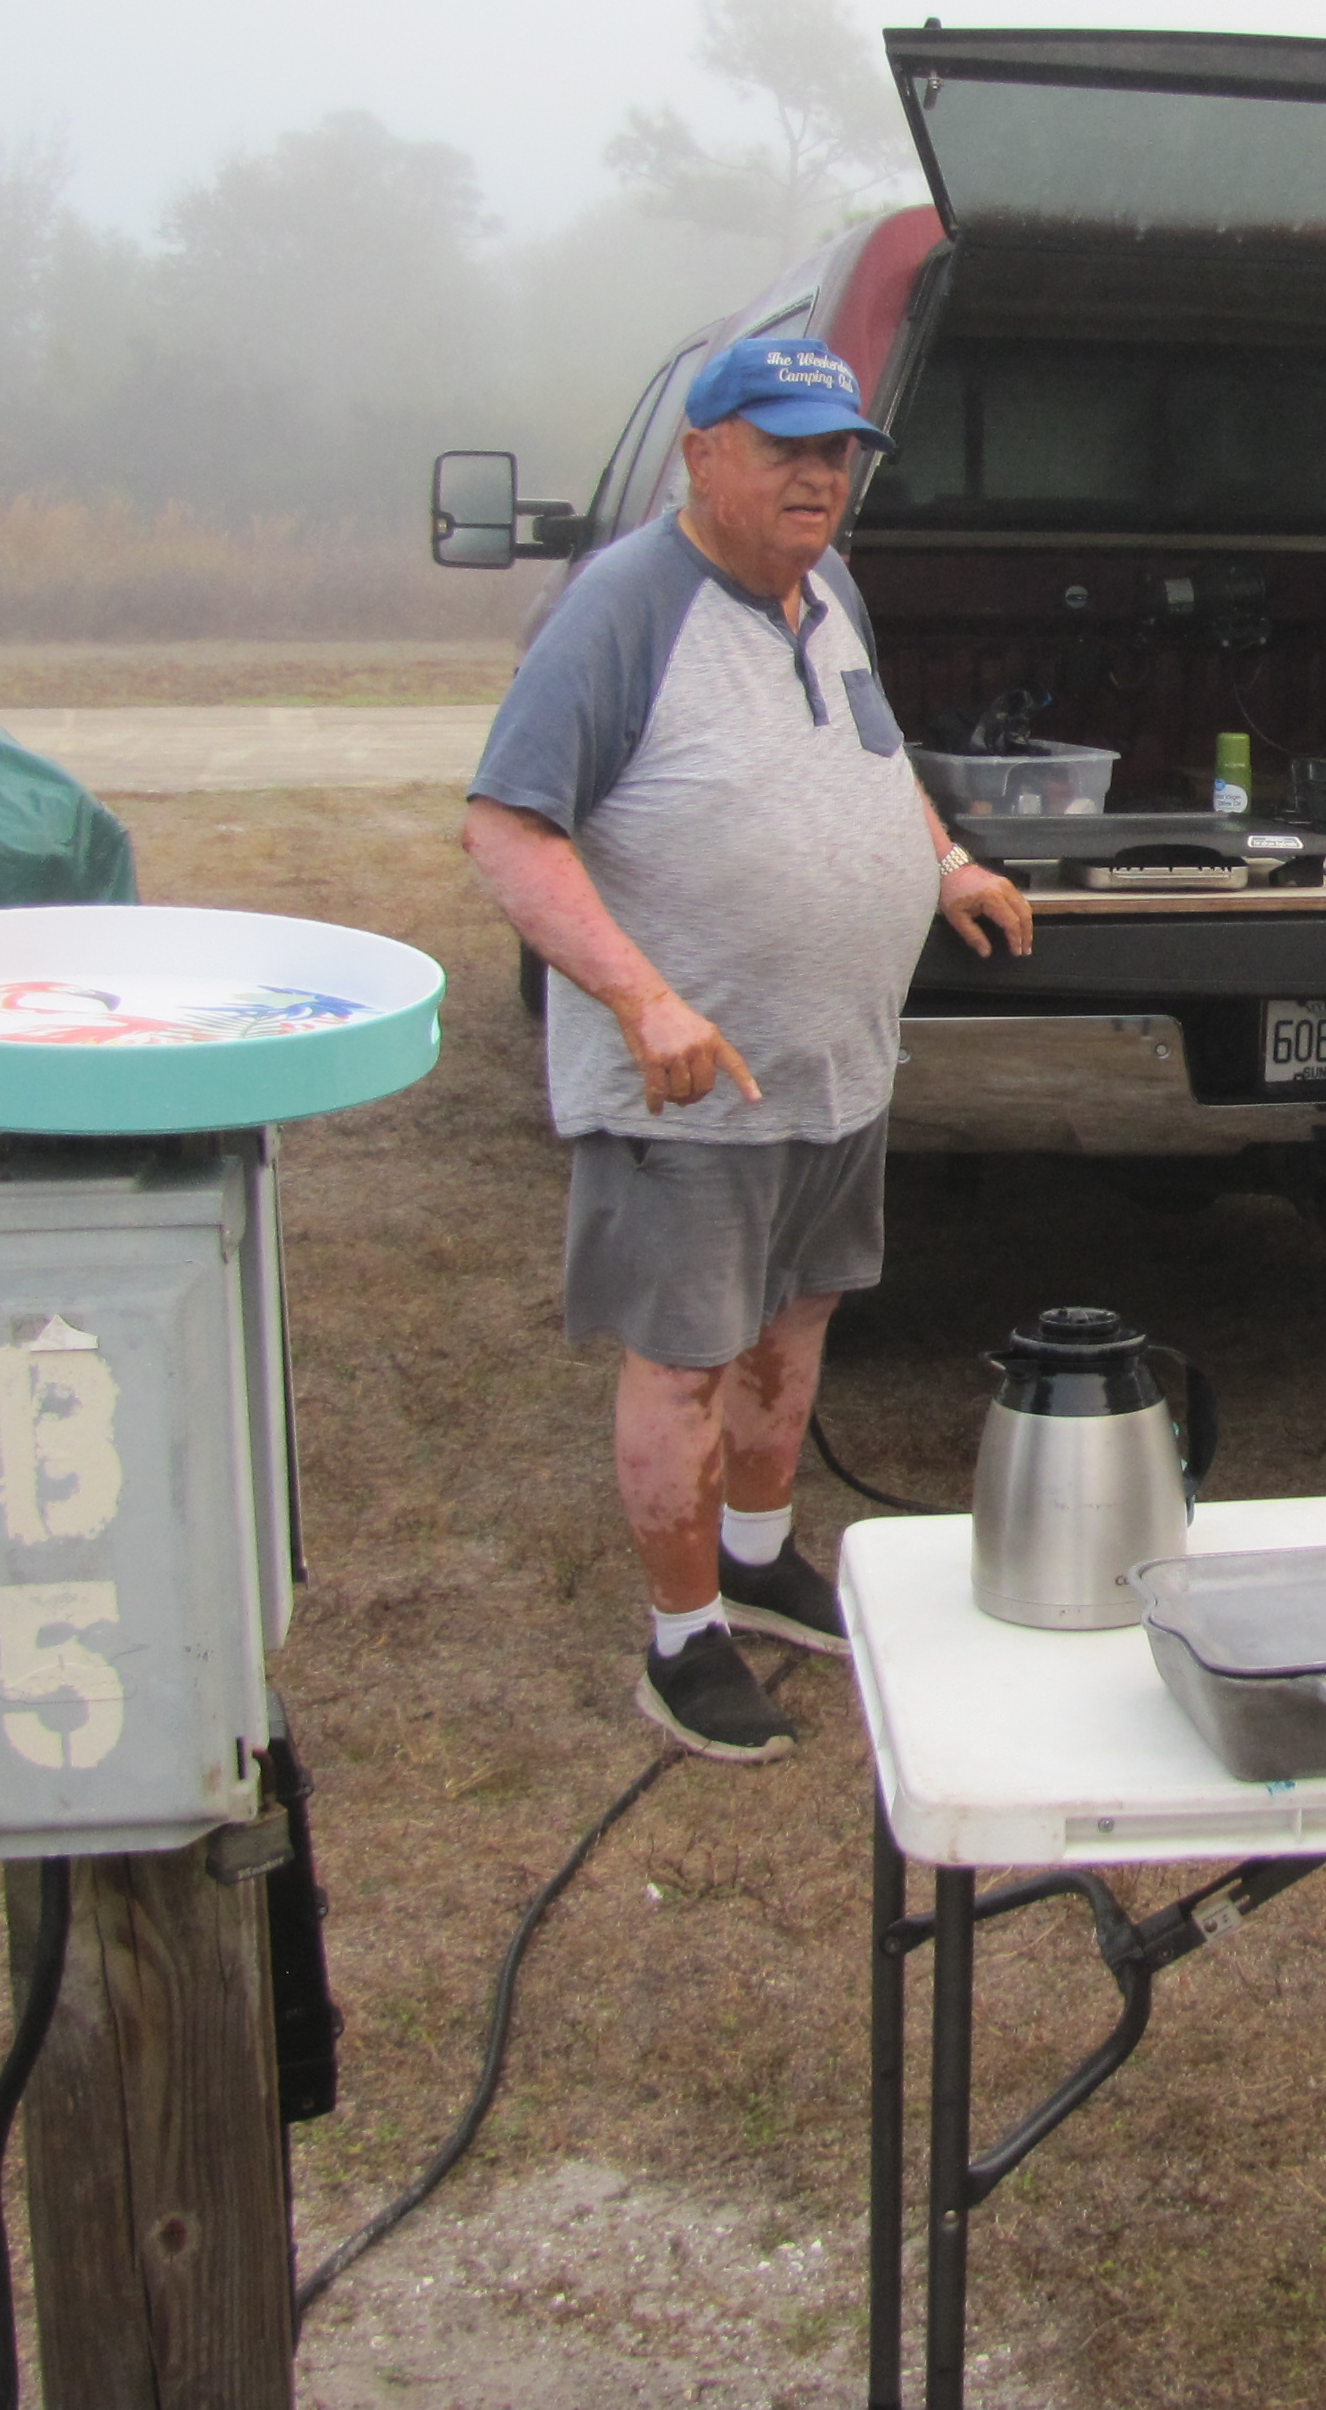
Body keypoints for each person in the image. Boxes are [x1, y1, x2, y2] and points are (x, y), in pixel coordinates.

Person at [463, 335, 1035, 1760]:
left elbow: (871, 753)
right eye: (785, 444)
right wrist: (640, 998)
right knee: (685, 1362)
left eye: (839, 450)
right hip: (694, 1089)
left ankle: (763, 1555)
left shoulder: (828, 588)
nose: (819, 474)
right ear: (699, 451)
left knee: (798, 1324)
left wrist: (946, 862)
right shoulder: (623, 609)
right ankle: (680, 1643)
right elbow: (508, 827)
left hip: (835, 1065)